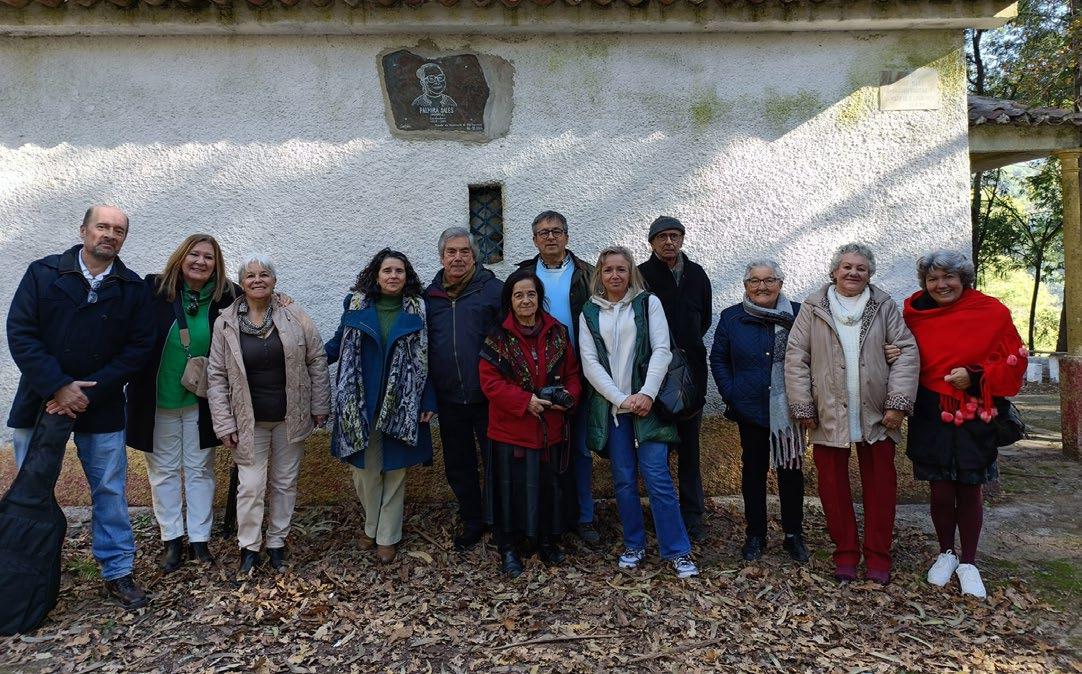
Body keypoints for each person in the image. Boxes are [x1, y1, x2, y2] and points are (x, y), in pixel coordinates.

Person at [6, 205, 154, 608]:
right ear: (84, 230)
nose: (110, 234)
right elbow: (21, 332)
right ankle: (21, 571)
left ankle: (118, 571)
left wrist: (89, 392)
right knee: (30, 489)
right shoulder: (43, 273)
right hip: (41, 401)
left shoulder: (133, 288)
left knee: (109, 490)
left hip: (101, 405)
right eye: (102, 226)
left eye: (118, 230)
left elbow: (139, 348)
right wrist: (57, 386)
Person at [784, 242, 919, 584]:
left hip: (878, 413)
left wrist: (897, 405)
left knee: (881, 488)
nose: (853, 273)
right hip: (828, 411)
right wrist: (803, 404)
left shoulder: (884, 306)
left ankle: (878, 557)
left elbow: (906, 352)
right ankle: (845, 554)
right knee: (832, 488)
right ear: (834, 272)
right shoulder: (814, 307)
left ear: (870, 274)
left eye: (861, 268)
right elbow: (796, 357)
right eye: (847, 267)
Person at [903, 250, 1026, 599]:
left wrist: (975, 375)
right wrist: (894, 353)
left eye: (949, 277)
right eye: (932, 279)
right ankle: (946, 553)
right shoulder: (913, 314)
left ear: (964, 280)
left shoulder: (991, 312)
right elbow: (901, 350)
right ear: (925, 283)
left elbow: (1014, 360)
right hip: (931, 409)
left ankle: (969, 562)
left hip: (975, 410)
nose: (941, 285)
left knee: (970, 488)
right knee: (940, 489)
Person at [578, 245, 699, 578]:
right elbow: (590, 363)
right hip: (615, 410)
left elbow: (662, 350)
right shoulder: (589, 311)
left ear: (630, 272)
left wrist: (646, 393)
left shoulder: (648, 303)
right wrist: (619, 398)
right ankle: (634, 544)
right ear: (599, 275)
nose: (615, 275)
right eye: (608, 270)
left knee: (657, 476)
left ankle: (678, 550)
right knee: (623, 480)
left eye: (621, 269)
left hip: (649, 408)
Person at [206, 255, 330, 574]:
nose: (257, 280)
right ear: (241, 284)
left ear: (274, 280)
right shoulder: (225, 322)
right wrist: (223, 422)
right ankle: (249, 547)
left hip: (291, 417)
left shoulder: (294, 314)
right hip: (248, 421)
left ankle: (276, 543)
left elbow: (316, 359)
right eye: (250, 276)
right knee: (250, 485)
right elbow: (216, 375)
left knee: (285, 482)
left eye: (264, 274)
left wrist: (319, 405)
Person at [126, 235, 237, 572]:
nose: (200, 262)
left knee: (200, 470)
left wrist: (284, 300)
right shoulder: (153, 290)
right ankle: (171, 540)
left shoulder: (227, 297)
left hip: (202, 402)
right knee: (163, 471)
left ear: (216, 265)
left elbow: (262, 299)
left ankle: (200, 540)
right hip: (156, 400)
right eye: (194, 254)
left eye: (209, 257)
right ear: (181, 256)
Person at [326, 249, 437, 564]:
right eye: (387, 270)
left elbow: (428, 357)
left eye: (399, 271)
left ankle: (386, 535)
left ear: (406, 276)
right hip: (360, 402)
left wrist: (428, 398)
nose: (393, 276)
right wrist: (304, 356)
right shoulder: (355, 305)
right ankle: (371, 525)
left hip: (403, 402)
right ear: (376, 275)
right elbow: (338, 344)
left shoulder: (418, 309)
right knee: (365, 471)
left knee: (396, 470)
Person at [479, 269, 581, 577]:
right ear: (510, 300)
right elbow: (490, 382)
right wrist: (525, 401)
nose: (526, 300)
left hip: (550, 428)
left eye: (531, 294)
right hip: (511, 429)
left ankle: (547, 540)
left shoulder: (558, 332)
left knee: (549, 487)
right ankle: (509, 547)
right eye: (519, 295)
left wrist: (567, 398)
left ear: (539, 298)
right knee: (511, 491)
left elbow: (573, 374)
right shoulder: (497, 336)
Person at [710, 258, 809, 563]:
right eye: (755, 280)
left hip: (789, 410)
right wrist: (732, 393)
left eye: (769, 280)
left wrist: (806, 399)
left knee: (791, 472)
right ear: (746, 285)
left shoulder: (799, 314)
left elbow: (814, 355)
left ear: (780, 283)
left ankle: (793, 534)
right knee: (753, 471)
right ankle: (756, 534)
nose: (762, 286)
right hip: (749, 407)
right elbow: (719, 359)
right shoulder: (732, 317)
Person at [516, 211, 599, 545]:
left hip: (578, 374)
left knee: (579, 449)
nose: (550, 237)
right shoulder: (524, 274)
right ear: (534, 239)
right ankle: (548, 518)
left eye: (556, 231)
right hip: (533, 378)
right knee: (542, 451)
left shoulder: (588, 274)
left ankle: (584, 516)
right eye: (543, 232)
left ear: (567, 236)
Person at [424, 227, 503, 551]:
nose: (457, 257)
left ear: (474, 256)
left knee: (496, 460)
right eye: (451, 252)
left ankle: (499, 518)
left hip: (489, 396)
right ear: (441, 257)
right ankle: (472, 518)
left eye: (464, 252)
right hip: (449, 398)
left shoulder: (493, 290)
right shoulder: (429, 298)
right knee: (459, 464)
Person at [638, 216, 712, 542]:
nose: (669, 242)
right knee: (658, 448)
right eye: (662, 237)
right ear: (652, 242)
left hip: (691, 372)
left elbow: (703, 319)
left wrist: (686, 349)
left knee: (690, 448)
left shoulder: (697, 274)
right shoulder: (642, 275)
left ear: (682, 239)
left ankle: (692, 515)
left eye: (675, 236)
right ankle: (663, 513)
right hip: (654, 375)